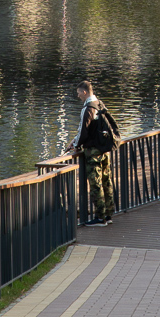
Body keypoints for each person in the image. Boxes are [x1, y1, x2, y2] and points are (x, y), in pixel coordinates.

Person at [68, 81, 119, 226]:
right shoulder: (99, 104)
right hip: (104, 149)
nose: (78, 96)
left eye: (78, 93)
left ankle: (100, 217)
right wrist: (75, 140)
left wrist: (76, 145)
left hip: (93, 151)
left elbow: (84, 130)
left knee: (95, 183)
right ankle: (109, 214)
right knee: (106, 181)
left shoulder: (87, 108)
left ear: (84, 92)